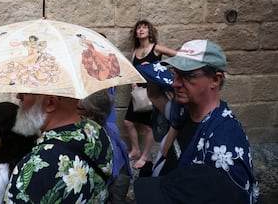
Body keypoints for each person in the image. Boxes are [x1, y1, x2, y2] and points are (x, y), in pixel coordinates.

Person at [134, 39, 259, 203]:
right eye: (176, 73)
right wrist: (149, 73)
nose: (176, 83)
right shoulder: (183, 111)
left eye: (187, 76)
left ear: (215, 79)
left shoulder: (224, 143)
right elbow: (155, 96)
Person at [4, 93, 113, 203]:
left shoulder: (37, 165)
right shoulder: (96, 131)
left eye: (24, 93)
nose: (18, 96)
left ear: (51, 102)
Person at [124, 20, 176, 169]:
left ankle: (145, 156)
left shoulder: (156, 48)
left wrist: (155, 67)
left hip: (154, 92)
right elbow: (132, 71)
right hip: (138, 92)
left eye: (144, 27)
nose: (141, 30)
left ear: (149, 31)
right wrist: (133, 83)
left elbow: (176, 56)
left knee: (149, 127)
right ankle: (135, 150)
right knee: (128, 122)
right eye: (138, 28)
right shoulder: (135, 52)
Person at [79, 89, 133, 203]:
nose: (75, 111)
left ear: (91, 114)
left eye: (79, 109)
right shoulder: (111, 127)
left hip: (114, 188)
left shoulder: (92, 140)